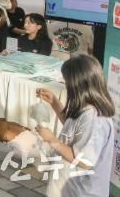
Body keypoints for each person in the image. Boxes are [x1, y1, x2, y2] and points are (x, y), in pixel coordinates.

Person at [36, 55, 114, 197]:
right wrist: (54, 103)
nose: (66, 86)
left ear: (78, 85)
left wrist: (53, 140)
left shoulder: (94, 119)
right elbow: (74, 128)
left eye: (67, 82)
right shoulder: (86, 108)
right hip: (68, 188)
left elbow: (85, 160)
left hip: (81, 192)